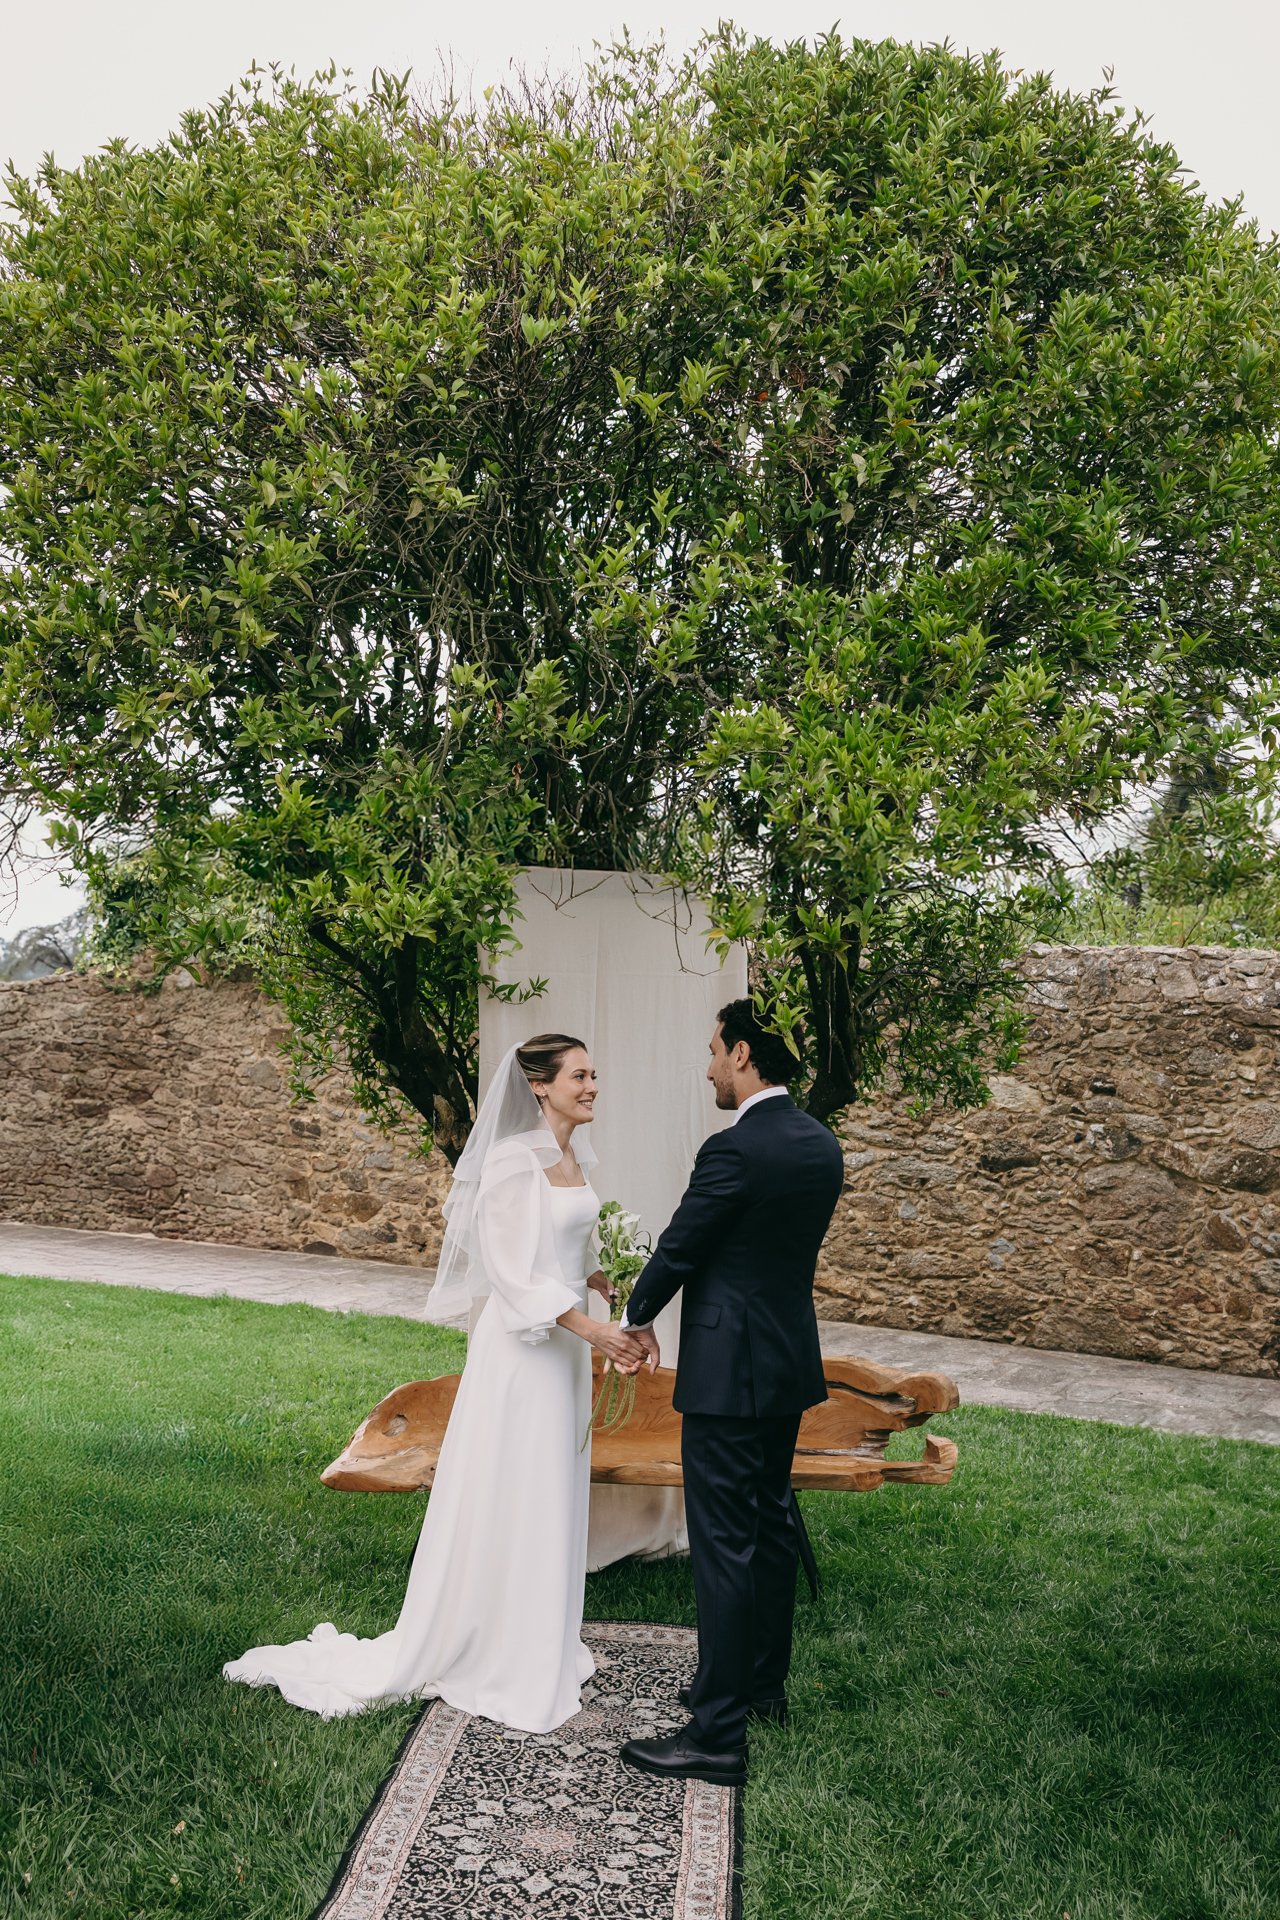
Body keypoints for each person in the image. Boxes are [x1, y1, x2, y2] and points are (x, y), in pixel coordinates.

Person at [223, 1034, 648, 1733]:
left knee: (554, 1484)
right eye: (579, 1075)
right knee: (518, 1483)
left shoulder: (574, 1157)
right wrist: (593, 1331)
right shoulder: (511, 1161)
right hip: (526, 1353)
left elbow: (568, 1245)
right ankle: (492, 1644)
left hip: (566, 1349)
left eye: (594, 1074)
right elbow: (510, 1272)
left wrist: (605, 1279)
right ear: (540, 1086)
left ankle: (538, 1637)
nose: (592, 1085)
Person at [618, 999, 845, 1786]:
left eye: (716, 1051)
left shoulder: (735, 1149)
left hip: (726, 1375)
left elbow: (683, 1245)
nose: (711, 1067)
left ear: (743, 1054)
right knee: (772, 1527)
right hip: (785, 1366)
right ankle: (759, 1689)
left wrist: (633, 1318)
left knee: (723, 1546)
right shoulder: (820, 1143)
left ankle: (716, 1737)